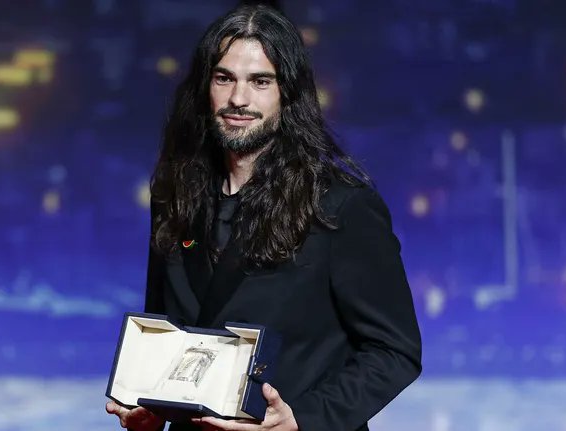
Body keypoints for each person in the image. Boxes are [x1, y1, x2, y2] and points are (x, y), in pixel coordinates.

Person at [106, 4, 422, 431]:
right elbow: (169, 330)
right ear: (204, 87)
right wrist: (150, 405)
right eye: (224, 78)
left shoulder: (340, 206)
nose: (239, 98)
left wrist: (302, 420)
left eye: (260, 81)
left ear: (287, 93)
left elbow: (394, 352)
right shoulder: (173, 192)